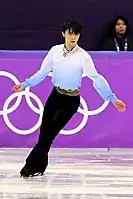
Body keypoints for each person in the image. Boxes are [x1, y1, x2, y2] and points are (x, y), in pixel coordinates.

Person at [12, 19, 126, 178]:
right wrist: (25, 84)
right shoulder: (54, 51)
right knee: (44, 133)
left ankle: (30, 167)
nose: (73, 36)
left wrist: (112, 99)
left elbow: (96, 78)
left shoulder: (83, 57)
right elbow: (42, 73)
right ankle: (40, 166)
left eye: (76, 33)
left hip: (71, 101)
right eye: (70, 33)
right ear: (63, 33)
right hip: (56, 96)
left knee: (50, 134)